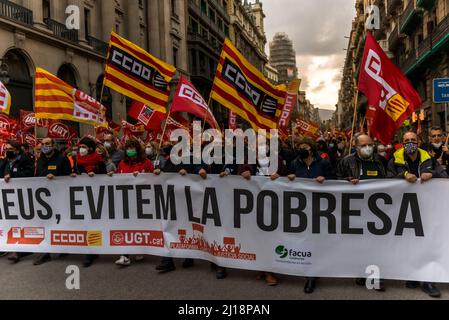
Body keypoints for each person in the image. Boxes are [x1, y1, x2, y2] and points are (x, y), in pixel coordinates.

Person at [387, 131, 447, 298]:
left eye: (413, 140)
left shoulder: (430, 159)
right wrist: (403, 175)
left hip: (427, 209)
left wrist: (432, 174)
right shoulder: (395, 161)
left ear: (418, 142)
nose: (410, 142)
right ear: (402, 143)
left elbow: (444, 176)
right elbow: (387, 179)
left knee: (426, 243)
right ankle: (414, 275)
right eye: (407, 140)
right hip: (405, 210)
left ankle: (428, 280)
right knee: (411, 244)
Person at [337, 134, 387, 292]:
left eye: (370, 145)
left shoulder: (380, 160)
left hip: (377, 213)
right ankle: (360, 272)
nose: (367, 148)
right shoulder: (347, 161)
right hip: (356, 211)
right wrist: (347, 181)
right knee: (359, 244)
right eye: (363, 145)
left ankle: (374, 277)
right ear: (356, 147)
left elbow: (391, 179)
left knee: (376, 245)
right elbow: (336, 181)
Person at [286, 138, 336, 294]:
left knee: (317, 240)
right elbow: (284, 180)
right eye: (300, 147)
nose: (302, 149)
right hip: (300, 209)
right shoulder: (295, 164)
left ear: (312, 149)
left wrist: (326, 180)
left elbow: (335, 180)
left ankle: (314, 272)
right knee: (306, 240)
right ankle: (310, 274)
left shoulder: (323, 163)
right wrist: (289, 177)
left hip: (320, 208)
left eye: (305, 147)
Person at [114, 139, 154, 267]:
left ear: (137, 149)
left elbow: (154, 179)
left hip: (142, 200)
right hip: (125, 200)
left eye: (132, 148)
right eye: (128, 148)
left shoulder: (146, 163)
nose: (130, 151)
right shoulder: (122, 163)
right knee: (125, 226)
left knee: (138, 226)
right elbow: (116, 179)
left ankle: (138, 248)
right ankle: (124, 255)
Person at [33, 138, 72, 266]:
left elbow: (68, 177)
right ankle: (46, 252)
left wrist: (56, 177)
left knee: (61, 222)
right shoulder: (40, 160)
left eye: (47, 144)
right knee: (46, 224)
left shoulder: (62, 159)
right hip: (44, 199)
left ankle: (64, 247)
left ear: (53, 146)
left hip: (60, 196)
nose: (45, 146)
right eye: (43, 144)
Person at [72, 137, 107, 268]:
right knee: (86, 223)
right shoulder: (78, 160)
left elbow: (104, 175)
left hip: (97, 196)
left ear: (90, 148)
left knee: (94, 223)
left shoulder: (98, 160)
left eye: (84, 147)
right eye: (80, 147)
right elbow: (76, 172)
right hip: (83, 196)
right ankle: (90, 251)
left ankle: (92, 250)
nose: (81, 149)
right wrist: (74, 174)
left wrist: (96, 174)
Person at [0, 140, 35, 263]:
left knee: (20, 221)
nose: (7, 150)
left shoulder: (25, 159)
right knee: (9, 221)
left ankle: (18, 249)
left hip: (22, 195)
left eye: (10, 148)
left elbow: (30, 173)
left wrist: (14, 176)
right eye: (6, 148)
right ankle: (8, 246)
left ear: (16, 150)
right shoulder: (5, 161)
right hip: (8, 196)